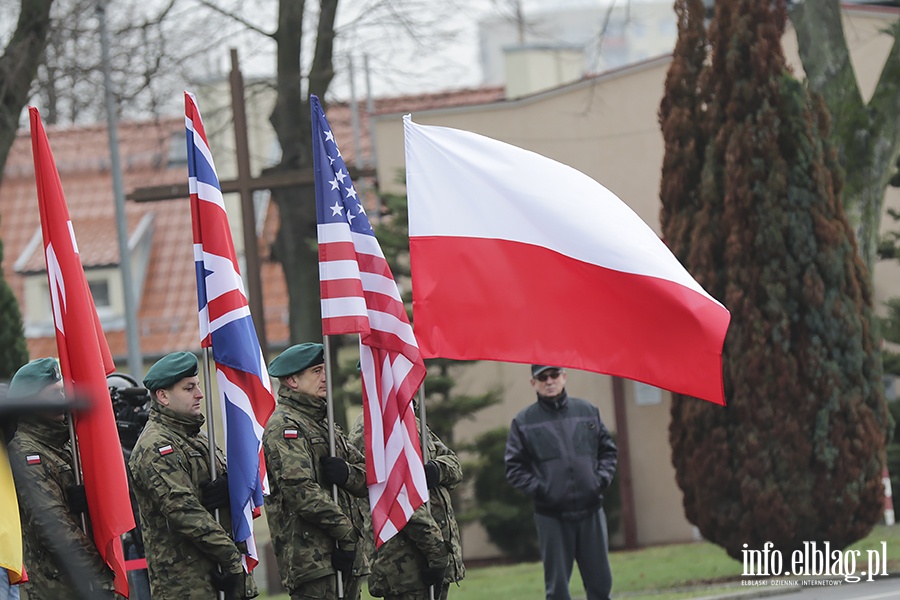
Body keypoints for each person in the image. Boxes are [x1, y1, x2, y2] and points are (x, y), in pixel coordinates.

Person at [128, 352, 257, 600]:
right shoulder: (155, 446)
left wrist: (230, 488)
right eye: (189, 388)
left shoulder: (195, 436)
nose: (199, 394)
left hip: (217, 575)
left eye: (197, 386)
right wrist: (231, 559)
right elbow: (183, 511)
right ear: (163, 396)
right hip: (187, 585)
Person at [262, 343, 368, 600]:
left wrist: (346, 475)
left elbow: (366, 476)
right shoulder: (284, 426)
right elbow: (300, 491)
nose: (325, 377)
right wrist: (346, 533)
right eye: (316, 371)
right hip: (312, 560)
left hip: (344, 554)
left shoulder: (322, 423)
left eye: (324, 369)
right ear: (292, 380)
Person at [6, 358, 117, 599]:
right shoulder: (25, 451)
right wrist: (102, 575)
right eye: (54, 394)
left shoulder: (65, 441)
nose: (63, 400)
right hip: (50, 587)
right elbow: (54, 528)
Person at [505, 365, 618, 600]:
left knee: (601, 584)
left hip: (591, 511)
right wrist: (543, 491)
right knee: (557, 590)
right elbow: (514, 468)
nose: (549, 381)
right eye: (542, 377)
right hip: (551, 516)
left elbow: (608, 451)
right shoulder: (523, 421)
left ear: (564, 377)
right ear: (533, 383)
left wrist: (599, 481)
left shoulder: (588, 411)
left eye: (554, 375)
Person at [349, 411, 466, 600]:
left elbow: (453, 462)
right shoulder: (375, 424)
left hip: (431, 556)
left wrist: (437, 470)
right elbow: (396, 498)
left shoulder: (408, 415)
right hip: (407, 567)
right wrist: (436, 553)